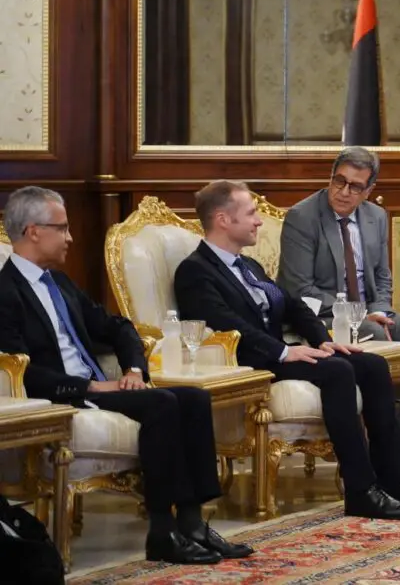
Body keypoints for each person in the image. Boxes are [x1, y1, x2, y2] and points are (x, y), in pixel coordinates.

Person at [172, 180, 400, 520]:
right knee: (338, 371)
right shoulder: (195, 271)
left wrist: (322, 339)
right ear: (223, 219)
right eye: (251, 213)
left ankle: (396, 477)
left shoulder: (248, 266)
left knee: (371, 365)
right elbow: (228, 324)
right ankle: (361, 490)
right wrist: (283, 352)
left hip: (280, 353)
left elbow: (294, 306)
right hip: (247, 363)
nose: (259, 221)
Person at [0, 187, 251, 565]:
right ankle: (162, 531)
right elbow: (18, 367)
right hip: (61, 395)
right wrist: (90, 385)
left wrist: (134, 369)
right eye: (62, 228)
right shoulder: (5, 292)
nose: (70, 237)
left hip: (99, 386)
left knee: (194, 397)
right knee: (162, 403)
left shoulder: (59, 283)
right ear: (33, 231)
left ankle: (192, 523)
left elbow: (117, 327)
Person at [277, 147, 400, 415]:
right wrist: (360, 314)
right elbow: (300, 289)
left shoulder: (375, 216)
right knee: (372, 330)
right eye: (339, 181)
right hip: (321, 316)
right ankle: (376, 423)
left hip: (368, 313)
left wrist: (380, 310)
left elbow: (382, 275)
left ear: (368, 190)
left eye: (355, 187)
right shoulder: (302, 217)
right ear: (331, 177)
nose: (344, 192)